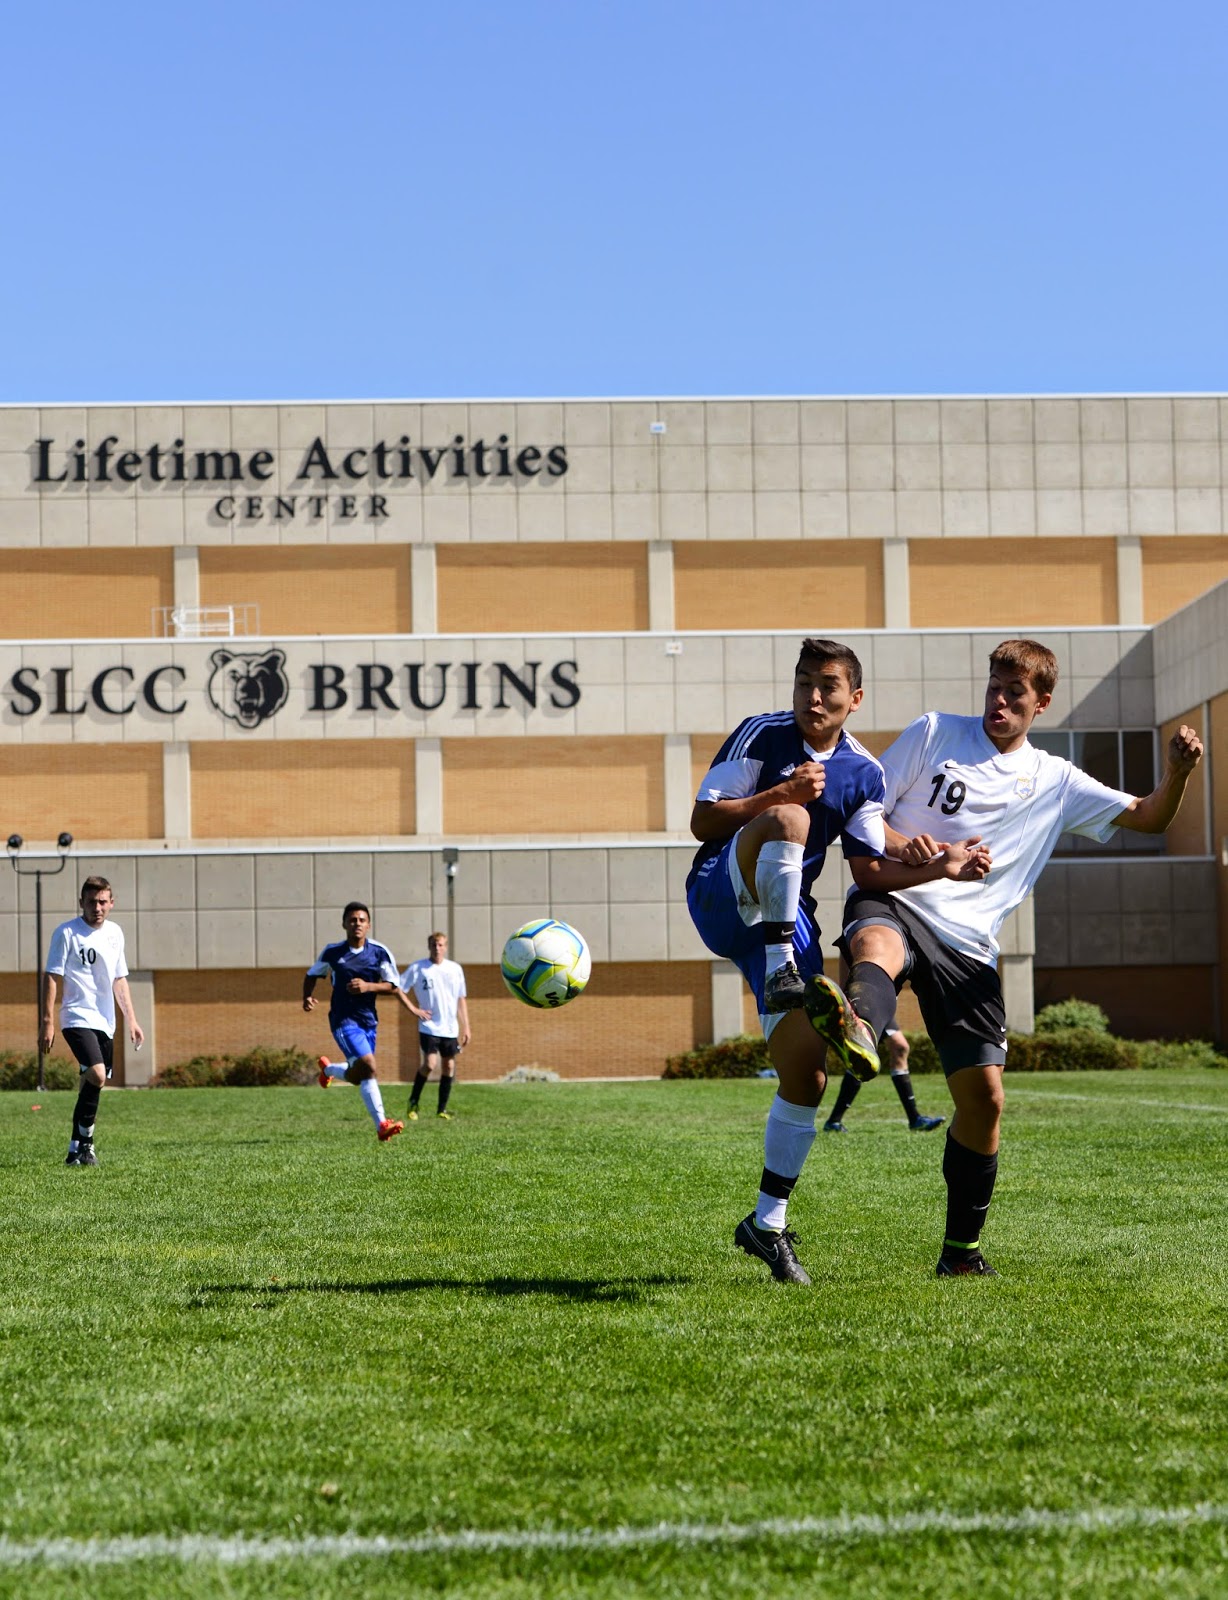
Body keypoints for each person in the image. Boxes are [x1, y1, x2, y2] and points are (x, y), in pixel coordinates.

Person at [808, 637, 1204, 1278]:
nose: (998, 700)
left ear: (1040, 702)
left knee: (985, 1100)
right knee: (873, 944)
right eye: (993, 686)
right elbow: (867, 813)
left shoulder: (1054, 779)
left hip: (969, 946)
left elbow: (1151, 818)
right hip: (899, 898)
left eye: (1014, 692)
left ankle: (960, 1254)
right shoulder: (934, 733)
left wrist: (1178, 775)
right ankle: (856, 1026)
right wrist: (922, 854)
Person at [685, 637, 989, 1285]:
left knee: (807, 1078)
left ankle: (766, 1224)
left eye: (827, 686)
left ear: (855, 699)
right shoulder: (759, 735)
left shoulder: (864, 773)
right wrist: (779, 795)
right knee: (791, 819)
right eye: (803, 683)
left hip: (783, 916)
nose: (812, 697)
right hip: (722, 887)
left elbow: (870, 866)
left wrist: (943, 863)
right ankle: (782, 972)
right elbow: (704, 822)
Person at [42, 876, 144, 1167]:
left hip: (105, 1021)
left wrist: (132, 1020)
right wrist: (48, 1021)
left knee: (92, 1083)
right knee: (97, 1075)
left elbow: (119, 979)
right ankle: (84, 1146)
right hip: (75, 1016)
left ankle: (79, 1149)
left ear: (111, 903)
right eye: (91, 902)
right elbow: (52, 976)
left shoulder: (115, 933)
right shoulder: (66, 933)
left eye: (102, 901)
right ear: (81, 903)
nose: (97, 907)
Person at [304, 902, 422, 1142]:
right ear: (344, 924)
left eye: (361, 920)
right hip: (342, 1020)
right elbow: (312, 974)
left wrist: (368, 986)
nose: (357, 923)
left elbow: (393, 985)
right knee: (370, 1065)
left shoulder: (379, 952)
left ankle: (328, 1070)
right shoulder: (332, 952)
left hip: (368, 1021)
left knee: (359, 1075)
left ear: (368, 925)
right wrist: (306, 996)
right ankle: (382, 1125)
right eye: (352, 920)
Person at [822, 1007, 945, 1133]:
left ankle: (915, 1119)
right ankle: (834, 1121)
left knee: (899, 1048)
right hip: (867, 1002)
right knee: (862, 1055)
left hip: (883, 1006)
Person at [400, 932, 470, 1121]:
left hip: (450, 1027)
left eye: (440, 945)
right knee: (430, 1064)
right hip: (428, 1026)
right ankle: (413, 1102)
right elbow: (398, 988)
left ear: (445, 947)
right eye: (433, 945)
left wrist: (466, 1027)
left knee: (449, 1066)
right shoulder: (418, 968)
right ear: (428, 946)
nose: (437, 948)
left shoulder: (455, 969)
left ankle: (442, 1109)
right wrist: (414, 1009)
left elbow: (461, 998)